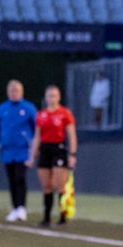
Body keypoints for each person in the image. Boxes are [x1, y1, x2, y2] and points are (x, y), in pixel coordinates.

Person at [0, 79, 37, 222]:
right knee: (11, 180)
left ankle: (22, 207)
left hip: (23, 150)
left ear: (21, 92)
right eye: (11, 90)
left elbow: (36, 130)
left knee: (19, 177)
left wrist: (34, 148)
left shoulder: (28, 108)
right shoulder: (1, 109)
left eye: (16, 90)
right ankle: (15, 208)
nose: (13, 92)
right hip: (7, 150)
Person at [30, 84, 77, 226]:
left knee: (59, 184)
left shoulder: (65, 113)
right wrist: (32, 155)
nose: (52, 98)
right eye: (50, 96)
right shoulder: (41, 114)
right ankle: (46, 217)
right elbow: (37, 136)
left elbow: (71, 135)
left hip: (59, 149)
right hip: (45, 149)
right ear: (46, 97)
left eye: (54, 95)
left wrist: (73, 154)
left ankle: (63, 215)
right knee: (46, 185)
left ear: (59, 97)